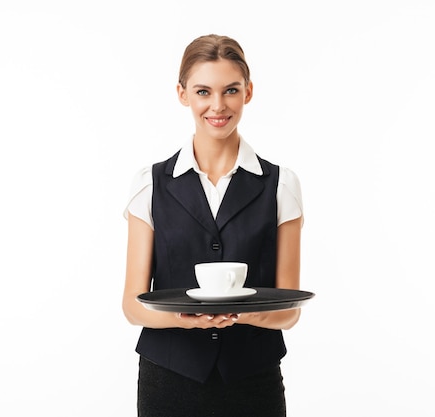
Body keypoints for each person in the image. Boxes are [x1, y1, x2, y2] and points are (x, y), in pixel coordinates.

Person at [122, 34, 304, 417]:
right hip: (168, 381)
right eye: (203, 91)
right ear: (183, 93)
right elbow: (132, 305)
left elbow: (288, 310)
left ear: (248, 92)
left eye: (231, 90)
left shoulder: (280, 184)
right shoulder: (150, 184)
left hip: (253, 383)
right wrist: (186, 322)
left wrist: (241, 315)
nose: (217, 106)